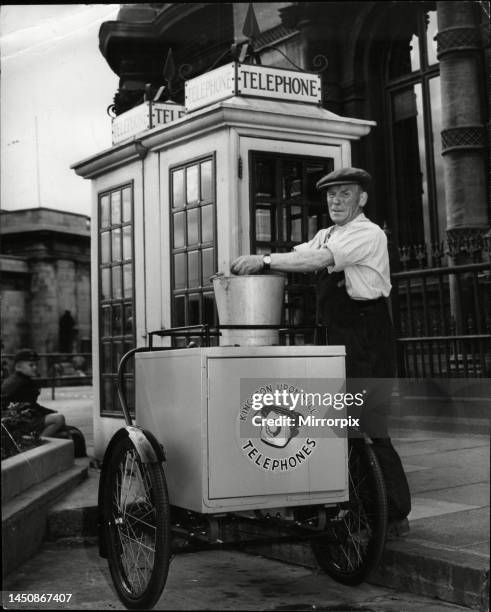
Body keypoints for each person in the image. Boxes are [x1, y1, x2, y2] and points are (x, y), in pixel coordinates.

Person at [231, 166, 411, 538]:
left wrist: (263, 261)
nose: (336, 200)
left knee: (370, 426)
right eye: (331, 195)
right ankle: (356, 505)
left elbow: (315, 261)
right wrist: (259, 260)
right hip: (337, 337)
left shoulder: (367, 233)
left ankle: (395, 515)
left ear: (362, 198)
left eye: (345, 194)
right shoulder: (327, 233)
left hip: (366, 337)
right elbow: (299, 254)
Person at [1, 348, 66, 437]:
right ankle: (37, 443)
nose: (35, 368)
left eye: (36, 365)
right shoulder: (16, 383)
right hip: (19, 423)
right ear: (18, 367)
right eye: (31, 365)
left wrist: (49, 411)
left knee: (56, 417)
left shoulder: (23, 380)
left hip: (24, 418)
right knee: (58, 419)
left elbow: (31, 404)